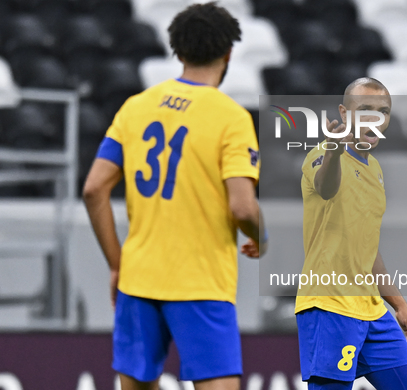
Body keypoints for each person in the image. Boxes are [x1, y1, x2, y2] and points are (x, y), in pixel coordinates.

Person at [83, 3, 266, 390]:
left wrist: (118, 265)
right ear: (228, 53)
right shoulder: (231, 118)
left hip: (138, 282)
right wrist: (259, 236)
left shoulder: (135, 108)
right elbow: (243, 206)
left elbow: (93, 188)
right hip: (200, 285)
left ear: (178, 52)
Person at [295, 78, 407, 390]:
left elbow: (368, 247)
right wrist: (335, 152)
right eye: (364, 109)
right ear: (344, 111)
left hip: (372, 309)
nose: (374, 118)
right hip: (331, 305)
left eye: (383, 111)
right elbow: (326, 187)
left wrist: (400, 304)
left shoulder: (375, 169)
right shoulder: (322, 155)